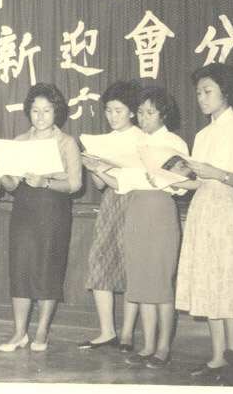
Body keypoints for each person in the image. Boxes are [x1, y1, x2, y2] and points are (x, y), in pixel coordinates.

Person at [174, 63, 233, 379]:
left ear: (226, 92)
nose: (201, 97)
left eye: (207, 91)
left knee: (229, 284)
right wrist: (175, 182)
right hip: (202, 208)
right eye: (198, 92)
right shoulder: (203, 133)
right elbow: (199, 180)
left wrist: (216, 173)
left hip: (224, 209)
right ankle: (217, 357)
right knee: (209, 283)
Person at [0, 83, 82, 352]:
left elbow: (76, 184)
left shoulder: (67, 142)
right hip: (24, 209)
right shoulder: (19, 142)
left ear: (57, 113)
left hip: (53, 209)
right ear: (28, 112)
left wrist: (45, 182)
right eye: (35, 110)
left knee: (48, 269)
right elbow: (10, 186)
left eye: (46, 110)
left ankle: (42, 331)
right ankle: (19, 332)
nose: (40, 116)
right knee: (20, 269)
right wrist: (2, 173)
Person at [114, 86, 188, 368]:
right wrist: (98, 168)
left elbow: (184, 185)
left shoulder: (175, 143)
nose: (143, 118)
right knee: (142, 281)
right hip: (136, 209)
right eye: (141, 112)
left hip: (161, 210)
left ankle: (163, 346)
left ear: (163, 114)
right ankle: (146, 345)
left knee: (160, 283)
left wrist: (166, 180)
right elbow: (123, 184)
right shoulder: (135, 143)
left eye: (149, 112)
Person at [78, 80, 143, 352]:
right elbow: (101, 185)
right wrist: (93, 166)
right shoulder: (104, 140)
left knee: (132, 266)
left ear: (132, 111)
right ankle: (108, 332)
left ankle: (127, 333)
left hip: (136, 201)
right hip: (110, 203)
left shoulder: (142, 138)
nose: (112, 116)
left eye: (118, 110)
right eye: (108, 110)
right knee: (100, 263)